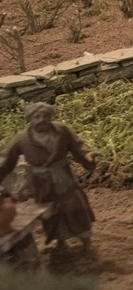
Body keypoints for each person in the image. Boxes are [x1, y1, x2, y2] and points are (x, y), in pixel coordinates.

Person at [1, 102, 98, 252]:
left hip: (63, 178)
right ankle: (60, 242)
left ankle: (86, 241)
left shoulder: (62, 131)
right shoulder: (22, 139)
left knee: (76, 207)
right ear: (30, 119)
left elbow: (78, 146)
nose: (42, 120)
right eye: (37, 116)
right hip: (41, 182)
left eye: (45, 116)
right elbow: (7, 158)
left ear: (51, 117)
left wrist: (87, 157)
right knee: (51, 213)